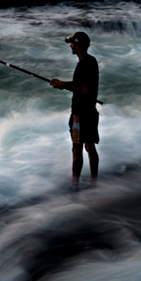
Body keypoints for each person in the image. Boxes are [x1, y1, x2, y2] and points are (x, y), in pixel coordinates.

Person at [50, 31, 99, 191]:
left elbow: (83, 89)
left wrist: (63, 85)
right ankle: (94, 183)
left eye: (72, 43)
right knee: (90, 146)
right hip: (90, 111)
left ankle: (74, 186)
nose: (70, 45)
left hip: (80, 115)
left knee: (77, 149)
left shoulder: (83, 64)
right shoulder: (91, 61)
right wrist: (63, 84)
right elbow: (82, 85)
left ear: (77, 46)